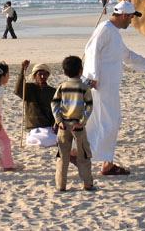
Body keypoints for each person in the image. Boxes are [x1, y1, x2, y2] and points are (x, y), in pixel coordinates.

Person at [83, 0, 145, 175]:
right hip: (100, 84)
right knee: (106, 122)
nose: (131, 21)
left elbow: (126, 56)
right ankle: (99, 161)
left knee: (110, 122)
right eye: (130, 18)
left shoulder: (114, 32)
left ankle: (105, 161)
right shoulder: (105, 29)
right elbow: (91, 50)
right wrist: (92, 77)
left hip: (109, 86)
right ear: (124, 15)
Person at [51, 55, 94, 191]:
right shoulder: (84, 87)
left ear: (64, 72)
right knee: (83, 155)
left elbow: (54, 104)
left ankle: (60, 185)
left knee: (62, 157)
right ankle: (87, 183)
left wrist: (58, 121)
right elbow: (89, 106)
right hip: (78, 126)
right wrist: (82, 122)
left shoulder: (62, 87)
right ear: (81, 71)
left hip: (64, 125)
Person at [15, 60, 56, 146]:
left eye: (45, 74)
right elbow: (18, 90)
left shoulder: (52, 91)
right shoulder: (29, 88)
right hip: (34, 127)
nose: (42, 76)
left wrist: (55, 124)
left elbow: (56, 109)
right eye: (39, 74)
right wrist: (23, 70)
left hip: (48, 127)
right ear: (35, 76)